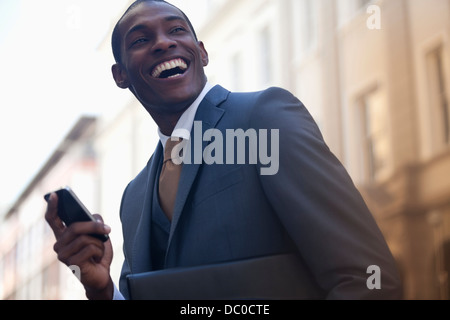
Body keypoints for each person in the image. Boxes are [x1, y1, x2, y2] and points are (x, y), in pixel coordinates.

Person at [45, 0, 402, 300]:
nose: (163, 43)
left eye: (176, 30)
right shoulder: (134, 197)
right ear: (120, 75)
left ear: (201, 52)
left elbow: (368, 277)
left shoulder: (265, 116)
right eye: (141, 39)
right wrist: (103, 289)